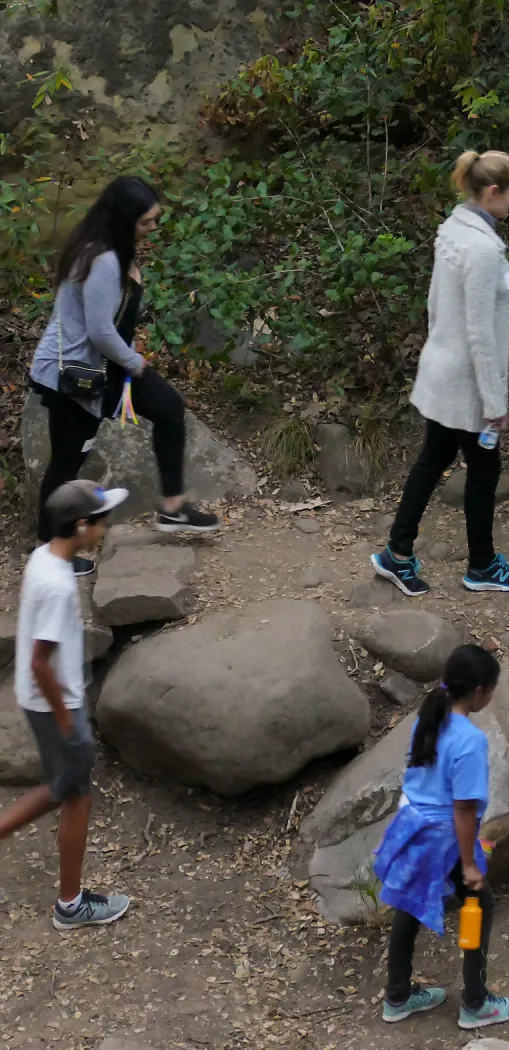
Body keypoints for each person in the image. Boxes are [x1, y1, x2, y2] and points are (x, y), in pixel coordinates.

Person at [29, 176, 220, 574]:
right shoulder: (101, 260)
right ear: (123, 219)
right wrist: (134, 361)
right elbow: (99, 332)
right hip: (75, 377)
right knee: (66, 461)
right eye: (146, 221)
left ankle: (172, 509)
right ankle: (50, 551)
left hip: (104, 367)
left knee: (168, 407)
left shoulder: (112, 248)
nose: (153, 227)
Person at [371, 150, 509, 596]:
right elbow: (481, 333)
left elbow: (434, 302)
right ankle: (481, 565)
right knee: (484, 471)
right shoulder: (481, 248)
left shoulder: (453, 228)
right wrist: (495, 404)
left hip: (442, 367)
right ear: (493, 192)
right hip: (466, 383)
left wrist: (437, 344)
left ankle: (397, 554)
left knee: (433, 461)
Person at [0, 480, 132, 929]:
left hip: (41, 698)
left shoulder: (44, 557)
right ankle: (71, 905)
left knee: (65, 787)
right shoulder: (57, 587)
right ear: (81, 525)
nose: (106, 526)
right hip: (55, 702)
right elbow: (40, 662)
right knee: (73, 794)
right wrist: (66, 721)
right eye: (101, 520)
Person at [373, 643, 509, 1032]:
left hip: (413, 826)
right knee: (480, 903)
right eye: (491, 688)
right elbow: (463, 809)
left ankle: (398, 995)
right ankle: (475, 1002)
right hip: (443, 837)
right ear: (477, 691)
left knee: (407, 905)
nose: (491, 696)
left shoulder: (430, 716)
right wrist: (470, 863)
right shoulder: (469, 740)